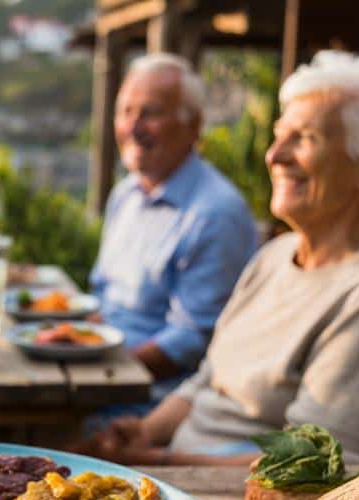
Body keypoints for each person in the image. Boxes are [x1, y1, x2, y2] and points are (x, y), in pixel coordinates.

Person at [81, 51, 359, 466]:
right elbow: (207, 381)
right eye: (279, 135)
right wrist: (144, 432)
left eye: (304, 138)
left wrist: (159, 460)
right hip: (186, 472)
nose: (274, 156)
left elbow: (318, 463)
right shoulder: (275, 256)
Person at [91, 54, 259, 396]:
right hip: (100, 372)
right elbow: (101, 295)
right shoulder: (126, 194)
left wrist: (104, 373)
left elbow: (192, 339)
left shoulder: (215, 212)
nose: (133, 127)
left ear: (193, 126)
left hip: (151, 400)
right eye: (125, 112)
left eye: (149, 113)